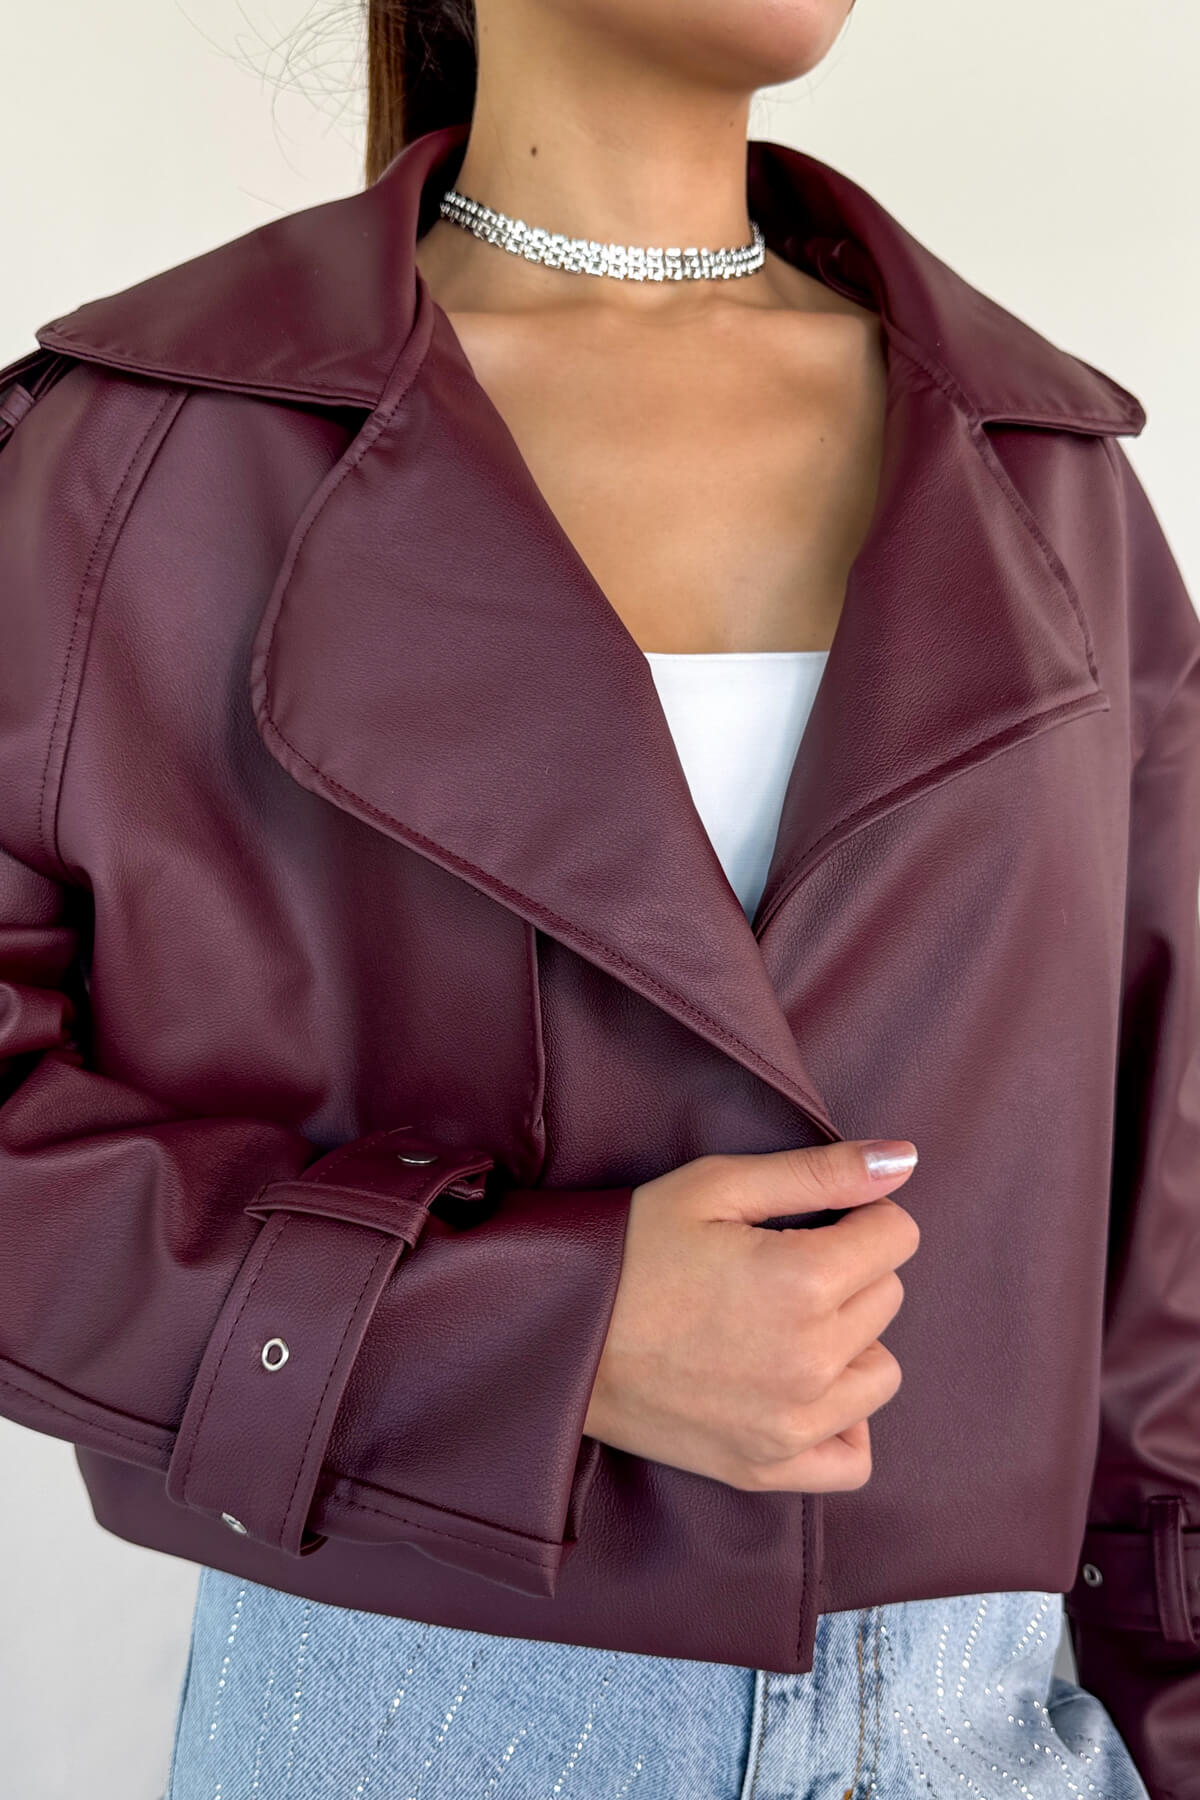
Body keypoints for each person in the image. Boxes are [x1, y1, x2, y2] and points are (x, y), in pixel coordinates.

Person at [1, 2, 1196, 1796]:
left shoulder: (1049, 475)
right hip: (416, 1721)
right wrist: (528, 1338)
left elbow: (1169, 1235)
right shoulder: (140, 461)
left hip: (996, 1731)